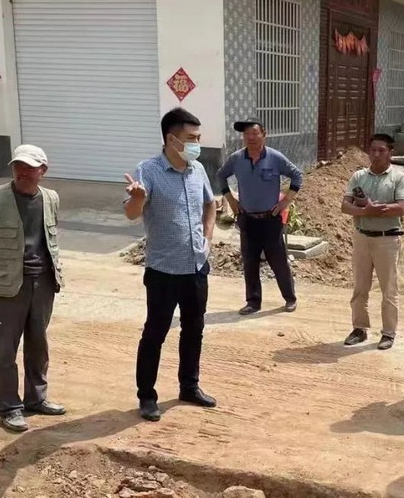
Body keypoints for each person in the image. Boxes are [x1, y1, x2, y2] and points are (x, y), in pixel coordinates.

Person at [125, 108, 217, 422]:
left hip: (196, 267)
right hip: (163, 271)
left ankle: (189, 386)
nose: (197, 144)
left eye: (198, 138)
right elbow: (131, 213)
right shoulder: (148, 170)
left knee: (194, 330)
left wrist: (207, 239)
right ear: (171, 139)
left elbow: (210, 204)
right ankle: (146, 397)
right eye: (192, 138)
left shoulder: (197, 169)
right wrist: (138, 198)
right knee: (155, 333)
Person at [0, 144, 65, 432]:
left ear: (42, 171)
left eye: (29, 167)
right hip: (7, 288)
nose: (22, 172)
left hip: (43, 284)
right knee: (5, 350)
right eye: (18, 166)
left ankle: (36, 398)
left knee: (38, 345)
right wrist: (2, 270)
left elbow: (50, 238)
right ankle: (10, 408)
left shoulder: (50, 198)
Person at [217, 119, 302, 316]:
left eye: (255, 133)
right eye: (247, 134)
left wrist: (285, 201)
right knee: (250, 262)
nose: (251, 137)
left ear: (264, 134)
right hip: (247, 219)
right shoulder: (236, 159)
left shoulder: (275, 157)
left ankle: (290, 298)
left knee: (278, 261)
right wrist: (230, 199)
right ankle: (253, 302)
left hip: (270, 219)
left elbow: (297, 175)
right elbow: (221, 175)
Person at [341, 134, 404, 351]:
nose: (376, 154)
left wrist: (376, 209)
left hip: (387, 239)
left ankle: (388, 333)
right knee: (360, 287)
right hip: (362, 238)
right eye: (373, 150)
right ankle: (359, 328)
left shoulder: (399, 178)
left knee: (389, 289)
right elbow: (345, 206)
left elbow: (402, 207)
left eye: (381, 150)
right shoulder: (358, 177)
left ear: (390, 152)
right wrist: (365, 211)